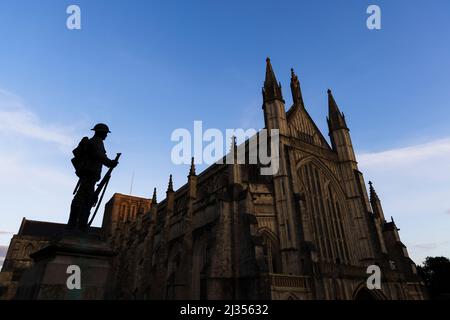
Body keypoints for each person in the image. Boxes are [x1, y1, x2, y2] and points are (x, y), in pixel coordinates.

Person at [67, 123, 118, 230]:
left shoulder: (93, 141)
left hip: (89, 175)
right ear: (101, 132)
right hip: (90, 174)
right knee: (85, 199)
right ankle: (78, 224)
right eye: (105, 133)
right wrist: (110, 163)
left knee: (85, 198)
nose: (106, 136)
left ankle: (76, 223)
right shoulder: (97, 142)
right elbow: (100, 155)